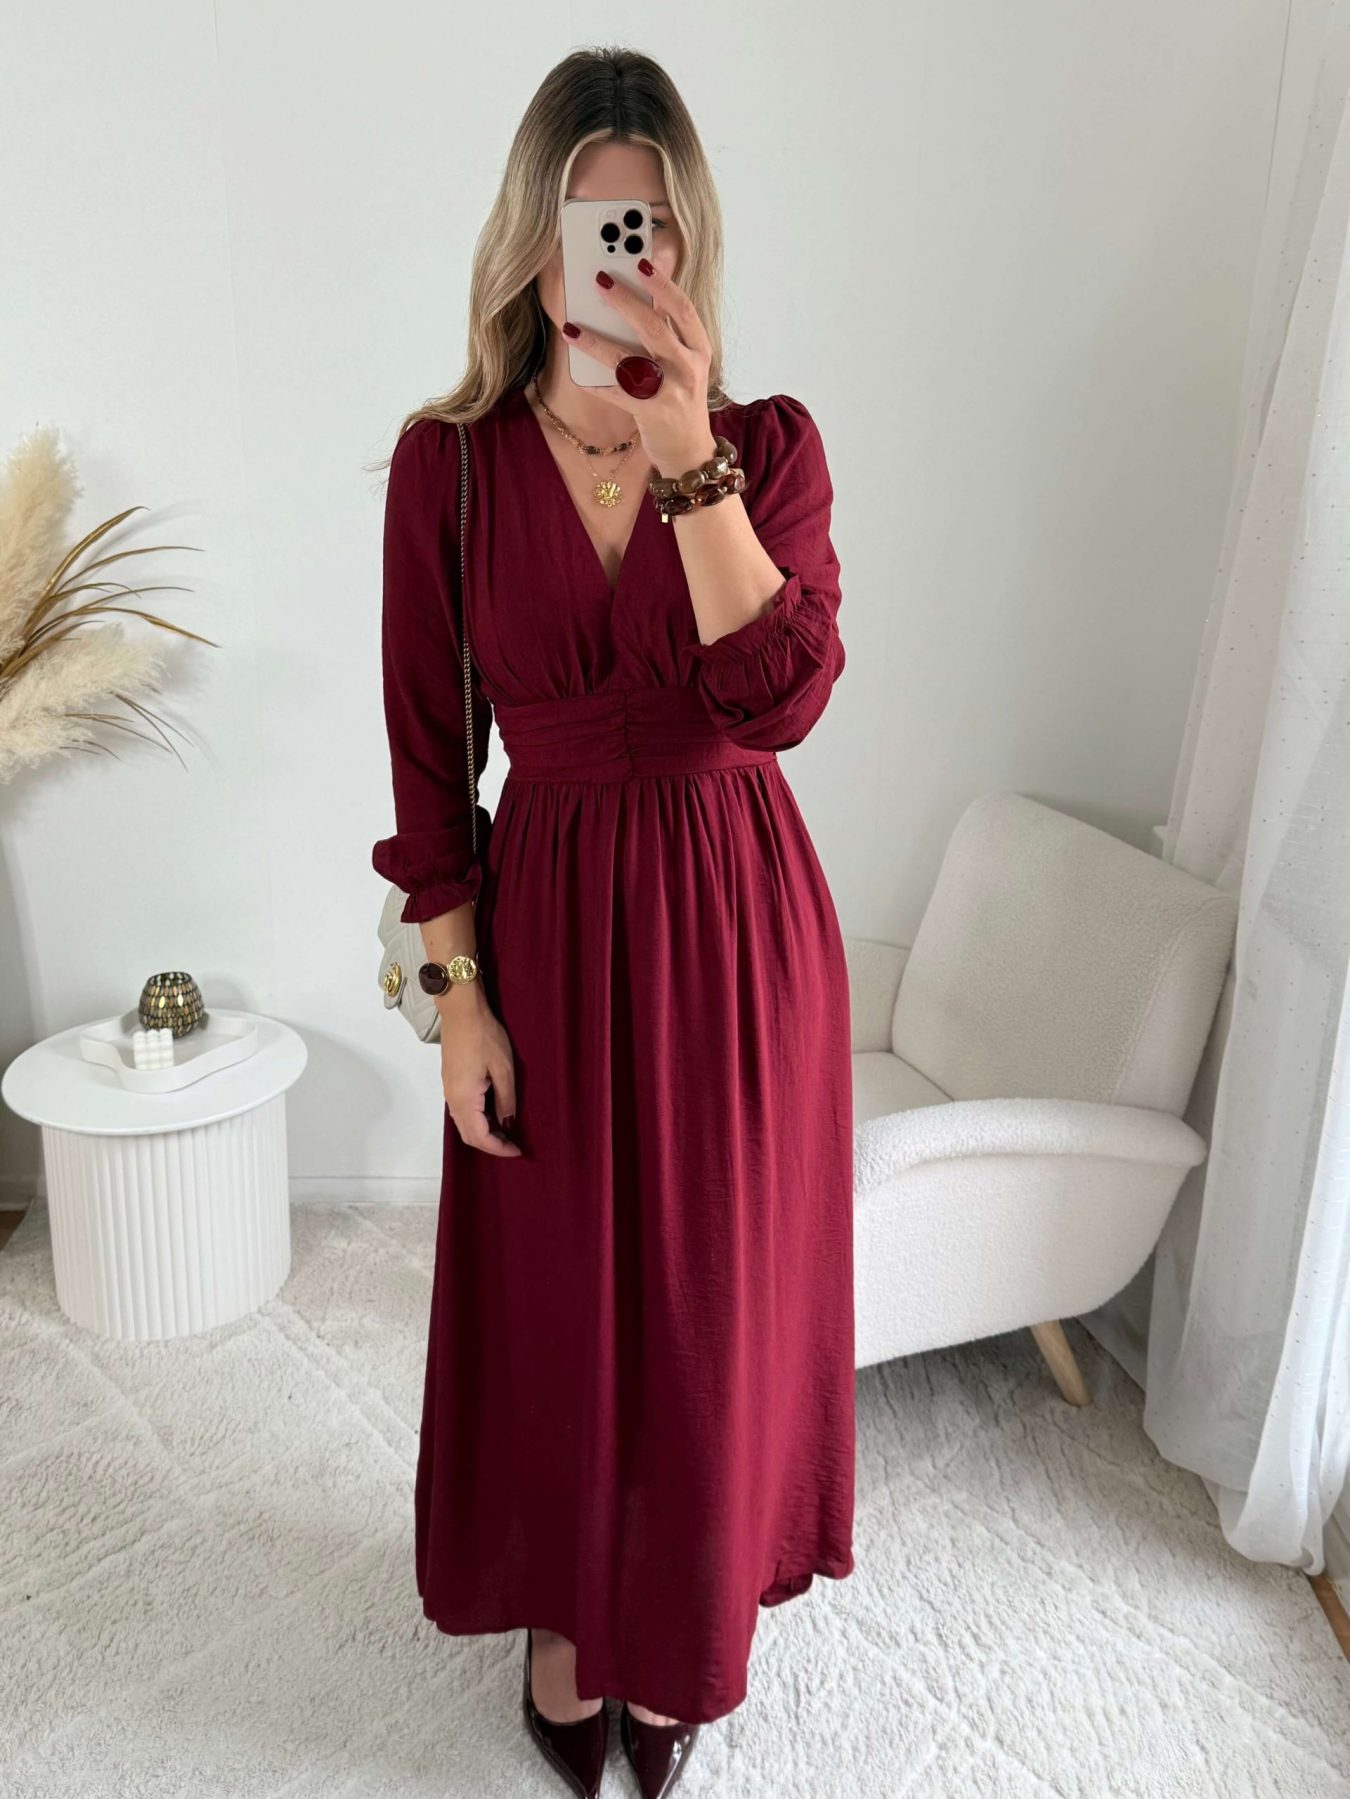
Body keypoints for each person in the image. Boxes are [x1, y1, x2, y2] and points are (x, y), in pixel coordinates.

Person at [370, 45, 855, 1799]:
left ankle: (681, 1620)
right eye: (590, 221)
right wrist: (459, 1004)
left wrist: (687, 455)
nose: (619, 251)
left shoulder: (766, 447)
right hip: (552, 923)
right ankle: (571, 1614)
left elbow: (781, 699)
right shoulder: (449, 467)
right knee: (561, 1299)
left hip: (734, 919)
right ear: (534, 236)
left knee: (707, 1306)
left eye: (647, 221)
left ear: (688, 235)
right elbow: (430, 763)